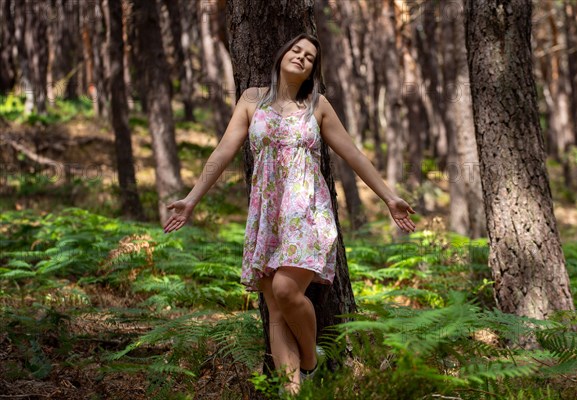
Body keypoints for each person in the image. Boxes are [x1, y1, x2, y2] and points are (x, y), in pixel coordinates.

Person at [163, 33, 416, 395]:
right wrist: (191, 199)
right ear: (282, 56)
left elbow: (354, 155)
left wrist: (389, 196)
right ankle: (293, 392)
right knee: (277, 312)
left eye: (310, 56)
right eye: (296, 51)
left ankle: (311, 363)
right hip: (268, 215)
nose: (301, 57)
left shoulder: (318, 106)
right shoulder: (252, 100)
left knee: (285, 288)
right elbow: (222, 152)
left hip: (308, 213)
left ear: (313, 69)